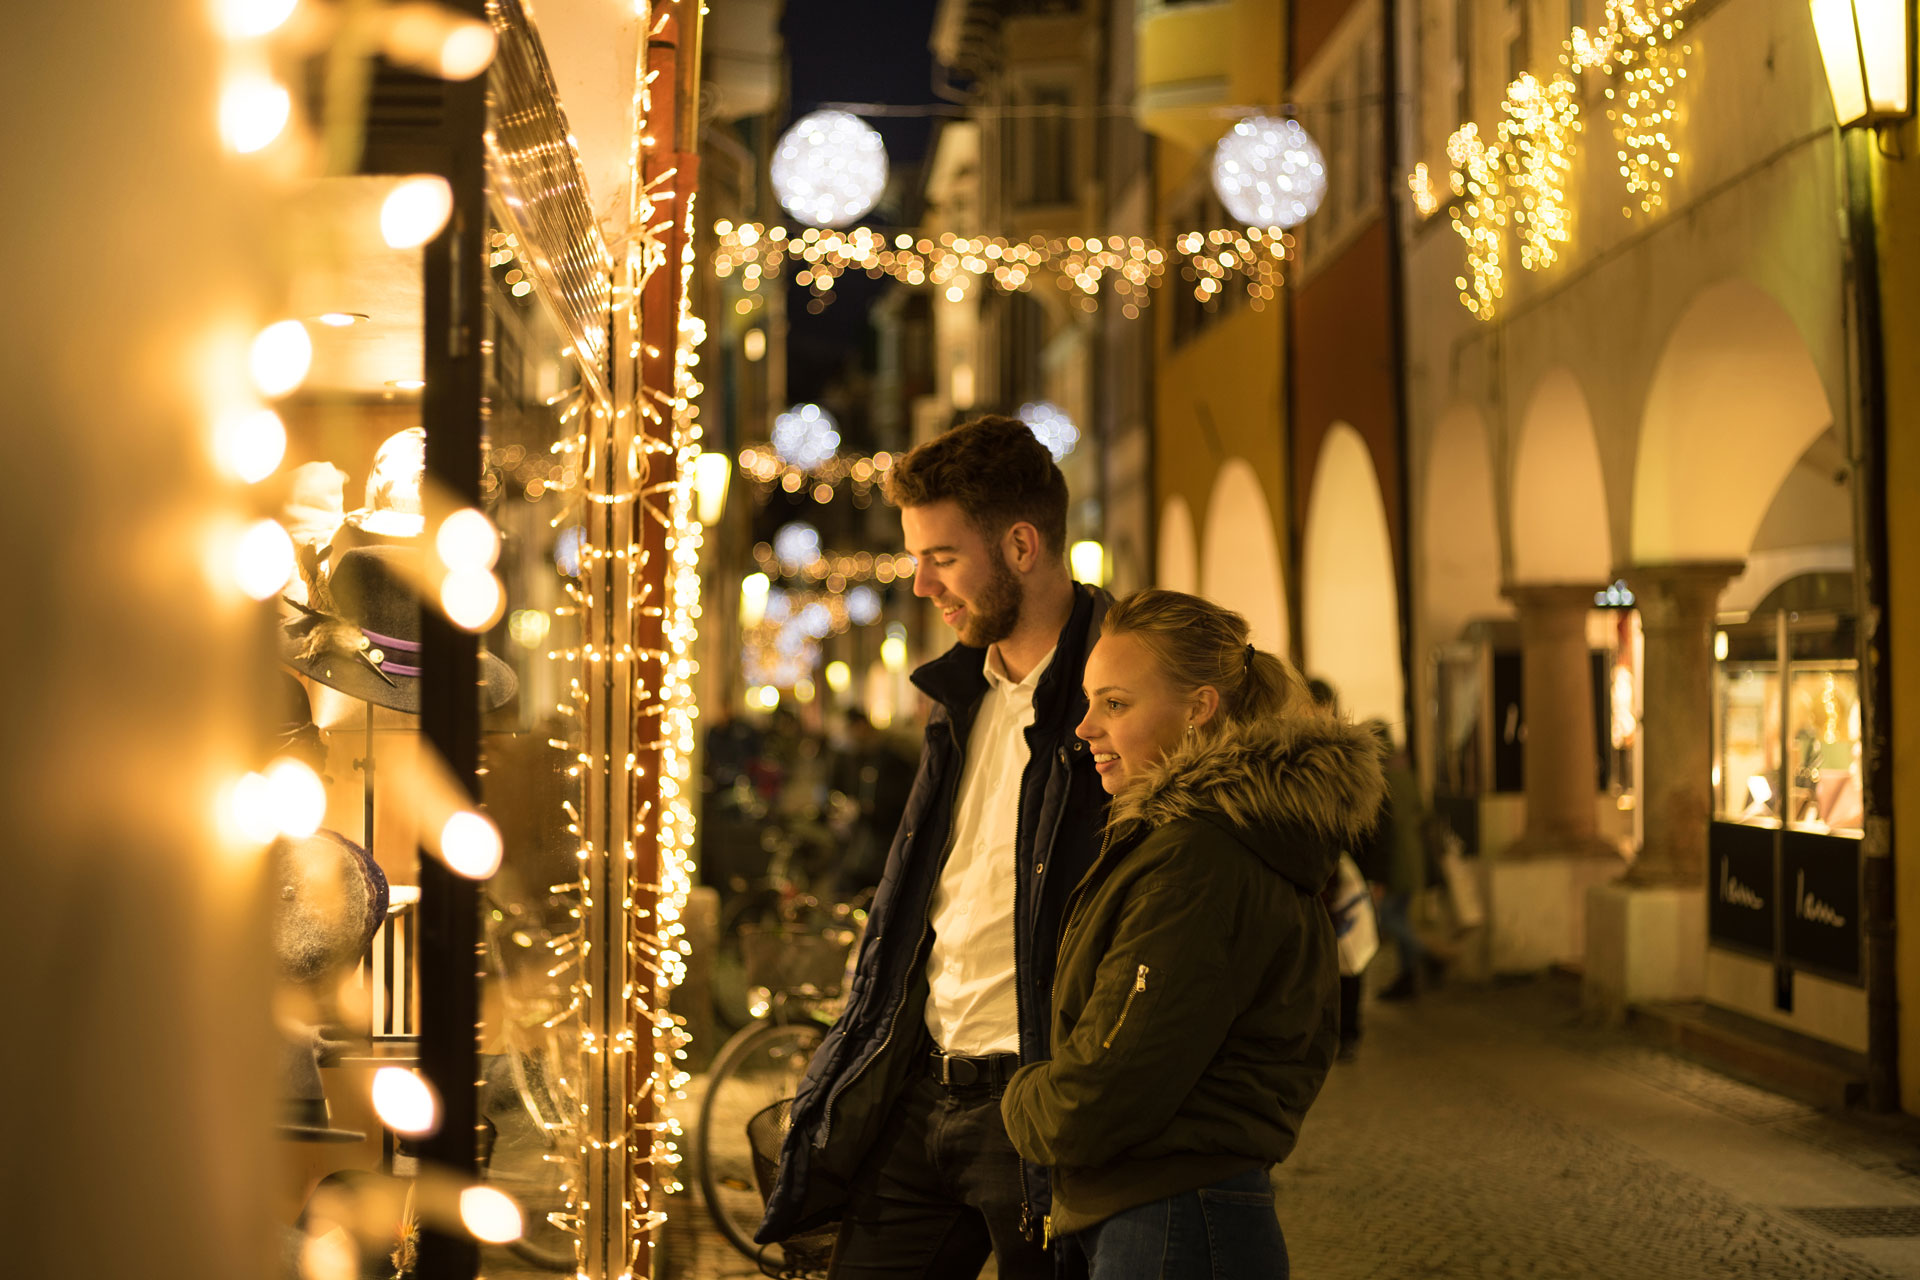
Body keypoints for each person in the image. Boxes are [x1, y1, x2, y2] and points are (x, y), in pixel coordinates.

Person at [757, 415, 1113, 1279]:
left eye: (942, 558)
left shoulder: (1118, 691)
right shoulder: (962, 697)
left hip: (1033, 1099)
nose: (920, 585)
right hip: (924, 1087)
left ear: (1022, 544)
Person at [998, 589, 1385, 1278]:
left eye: (1115, 704)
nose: (1085, 728)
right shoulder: (1190, 841)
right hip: (1165, 1212)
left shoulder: (1198, 860)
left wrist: (1020, 1094)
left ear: (1200, 708)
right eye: (1090, 702)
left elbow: (1103, 1092)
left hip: (1170, 1224)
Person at [1307, 676, 1371, 1062]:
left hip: (1340, 875)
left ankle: (1347, 1033)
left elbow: (1369, 827)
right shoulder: (1294, 756)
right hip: (1319, 875)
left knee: (1348, 957)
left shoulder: (1349, 757)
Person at [1367, 720, 1441, 1000]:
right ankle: (1408, 978)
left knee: (1389, 916)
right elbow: (1421, 811)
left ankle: (1426, 955)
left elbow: (1383, 827)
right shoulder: (1403, 769)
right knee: (1400, 916)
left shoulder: (1382, 772)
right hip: (1415, 856)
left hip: (1397, 857)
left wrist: (1378, 871)